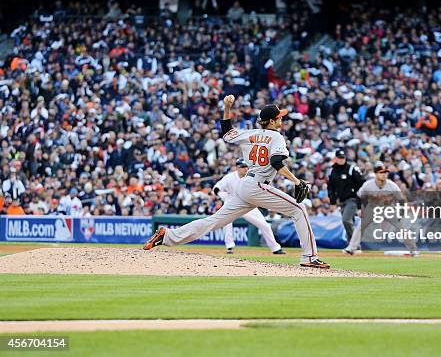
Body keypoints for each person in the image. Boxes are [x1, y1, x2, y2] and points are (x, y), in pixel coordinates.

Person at [143, 95, 330, 269]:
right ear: (272, 121)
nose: (282, 119)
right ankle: (309, 257)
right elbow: (276, 162)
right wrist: (296, 181)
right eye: (279, 117)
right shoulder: (276, 136)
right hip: (257, 185)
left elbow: (226, 132)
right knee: (298, 209)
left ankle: (167, 236)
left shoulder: (250, 134)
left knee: (213, 221)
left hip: (245, 186)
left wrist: (226, 108)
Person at [214, 158, 285, 255]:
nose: (245, 169)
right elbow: (216, 188)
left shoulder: (251, 177)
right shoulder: (229, 177)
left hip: (247, 204)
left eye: (246, 166)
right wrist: (220, 193)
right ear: (237, 168)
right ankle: (229, 246)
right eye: (242, 167)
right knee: (226, 222)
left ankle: (275, 248)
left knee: (264, 225)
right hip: (232, 203)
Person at [347, 161, 418, 256]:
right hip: (372, 209)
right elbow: (359, 197)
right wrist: (360, 209)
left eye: (385, 172)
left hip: (388, 209)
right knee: (360, 226)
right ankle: (351, 248)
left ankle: (413, 250)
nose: (384, 174)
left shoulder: (391, 185)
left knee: (402, 228)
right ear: (376, 174)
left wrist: (401, 211)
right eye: (381, 172)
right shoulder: (368, 185)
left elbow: (401, 199)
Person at [328, 149, 364, 255]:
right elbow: (331, 186)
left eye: (343, 158)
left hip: (352, 199)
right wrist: (332, 198)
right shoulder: (334, 171)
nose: (341, 160)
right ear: (336, 159)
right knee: (349, 223)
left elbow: (362, 182)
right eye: (339, 158)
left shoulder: (351, 169)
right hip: (342, 201)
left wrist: (359, 198)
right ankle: (352, 246)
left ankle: (355, 246)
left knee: (346, 220)